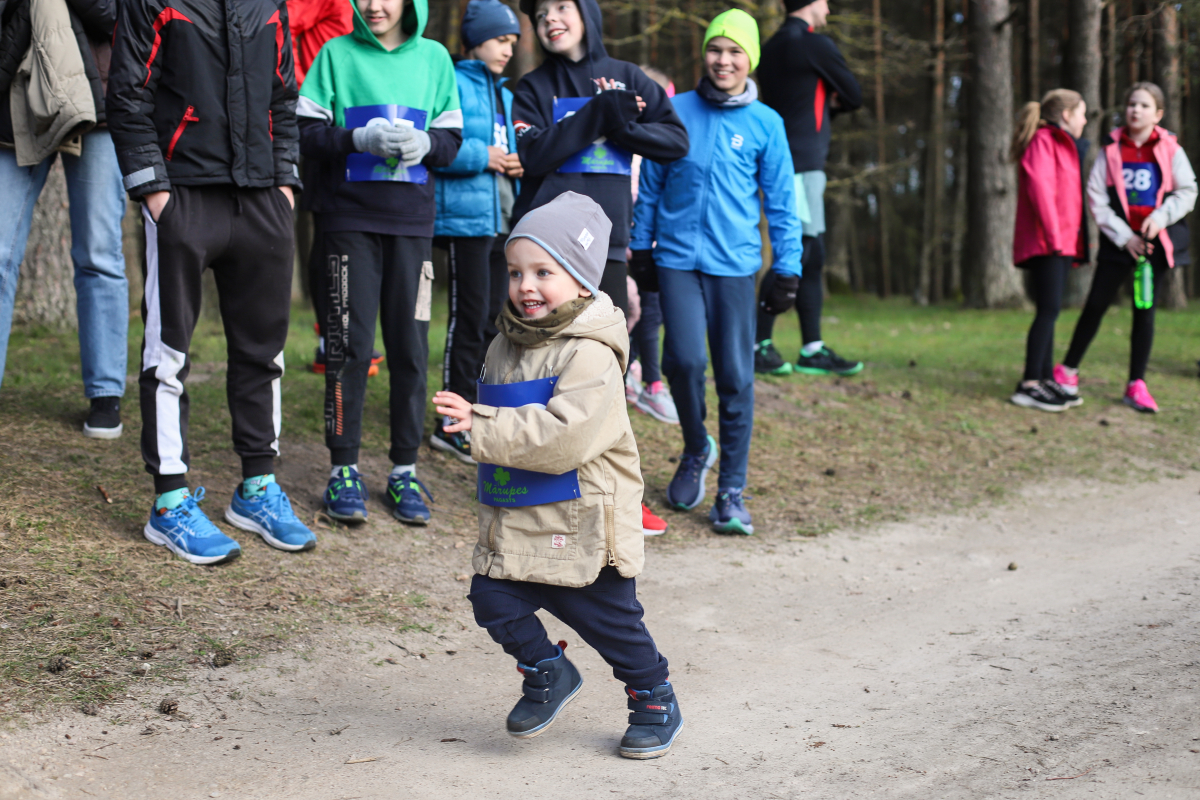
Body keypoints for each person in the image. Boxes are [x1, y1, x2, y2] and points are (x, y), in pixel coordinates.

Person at [432, 191, 683, 760]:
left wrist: (483, 422)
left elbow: (564, 438)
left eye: (544, 271)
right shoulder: (503, 344)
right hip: (519, 516)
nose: (526, 285)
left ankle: (653, 696)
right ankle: (548, 670)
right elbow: (503, 428)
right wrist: (469, 422)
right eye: (516, 271)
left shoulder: (590, 354)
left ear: (582, 280)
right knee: (492, 598)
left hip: (583, 524)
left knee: (616, 628)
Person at [107, 0, 316, 563]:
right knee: (168, 353)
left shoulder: (268, 5)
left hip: (262, 198)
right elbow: (128, 94)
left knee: (262, 352)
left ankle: (257, 489)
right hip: (183, 197)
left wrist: (285, 185)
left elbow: (284, 97)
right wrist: (156, 193)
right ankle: (170, 501)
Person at [630, 10, 802, 535]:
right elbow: (653, 185)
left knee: (735, 375)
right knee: (683, 361)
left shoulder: (767, 124)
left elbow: (781, 204)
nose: (723, 60)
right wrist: (641, 248)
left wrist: (788, 267)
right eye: (715, 49)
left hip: (735, 266)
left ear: (749, 58)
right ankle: (695, 445)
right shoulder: (675, 110)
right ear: (703, 54)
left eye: (734, 51)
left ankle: (731, 490)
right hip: (677, 259)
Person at [297, 0, 462, 525]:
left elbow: (452, 141)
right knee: (349, 347)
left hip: (412, 228)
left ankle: (403, 471)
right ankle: (342, 468)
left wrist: (427, 142)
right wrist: (356, 139)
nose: (376, 5)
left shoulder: (435, 58)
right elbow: (305, 134)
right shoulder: (334, 54)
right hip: (347, 224)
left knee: (411, 350)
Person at [509, 0, 689, 317]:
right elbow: (534, 156)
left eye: (561, 7)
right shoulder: (532, 87)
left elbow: (676, 142)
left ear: (586, 12)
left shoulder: (628, 77)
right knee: (544, 354)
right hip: (544, 246)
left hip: (609, 241)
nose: (549, 18)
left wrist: (619, 127)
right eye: (540, 15)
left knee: (605, 350)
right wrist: (598, 111)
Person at [0, 0, 129, 439]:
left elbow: (119, 16)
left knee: (98, 250)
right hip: (15, 95)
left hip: (100, 99)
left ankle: (106, 394)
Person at [1056, 82, 1197, 414]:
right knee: (1096, 305)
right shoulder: (1110, 151)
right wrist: (1124, 236)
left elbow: (1188, 191)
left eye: (1145, 106)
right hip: (1118, 245)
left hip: (1154, 246)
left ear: (1158, 114)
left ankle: (1136, 384)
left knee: (1143, 312)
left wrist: (1161, 218)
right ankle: (1067, 372)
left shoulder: (1171, 149)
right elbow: (1097, 199)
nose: (1136, 110)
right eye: (1131, 104)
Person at [430, 0, 522, 465]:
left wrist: (516, 165)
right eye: (500, 40)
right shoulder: (452, 81)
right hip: (464, 222)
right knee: (466, 320)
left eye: (512, 43)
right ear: (475, 39)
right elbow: (437, 145)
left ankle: (477, 412)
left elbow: (509, 148)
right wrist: (481, 157)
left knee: (490, 321)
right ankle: (449, 424)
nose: (508, 49)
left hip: (501, 223)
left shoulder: (506, 94)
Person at [752, 0, 863, 377]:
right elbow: (854, 93)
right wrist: (830, 102)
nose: (829, 9)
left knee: (810, 256)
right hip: (802, 163)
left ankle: (811, 347)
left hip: (782, 158)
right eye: (826, 3)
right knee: (799, 249)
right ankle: (756, 344)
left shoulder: (769, 48)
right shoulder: (816, 45)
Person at [1008, 89, 1089, 412]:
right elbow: (1041, 189)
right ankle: (1029, 384)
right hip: (1048, 242)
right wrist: (1056, 238)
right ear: (1067, 115)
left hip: (1061, 241)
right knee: (1048, 310)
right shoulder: (1044, 140)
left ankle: (1043, 377)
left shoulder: (1061, 144)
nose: (1084, 120)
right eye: (1082, 113)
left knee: (1051, 309)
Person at [624, 64, 678, 429]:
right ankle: (639, 378)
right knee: (632, 308)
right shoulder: (627, 145)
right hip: (622, 240)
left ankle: (644, 377)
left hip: (652, 240)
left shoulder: (661, 147)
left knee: (648, 309)